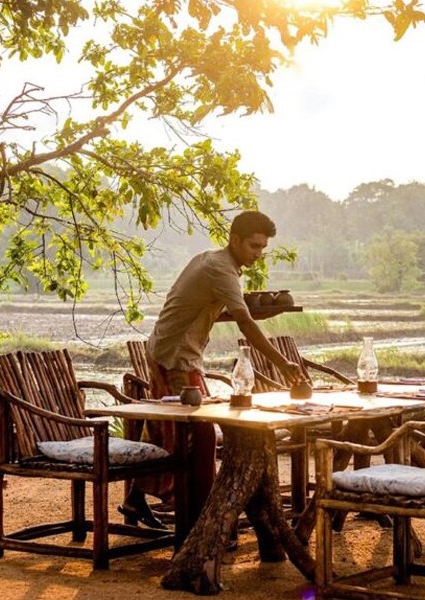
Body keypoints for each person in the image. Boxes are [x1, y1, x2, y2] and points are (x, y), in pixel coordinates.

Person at [120, 210, 305, 529]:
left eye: (262, 247)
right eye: (253, 246)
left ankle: (136, 498)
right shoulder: (221, 270)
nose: (258, 253)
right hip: (176, 355)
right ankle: (202, 519)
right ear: (234, 240)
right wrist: (283, 363)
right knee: (201, 432)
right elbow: (245, 322)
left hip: (170, 348)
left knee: (170, 431)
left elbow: (205, 308)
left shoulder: (212, 260)